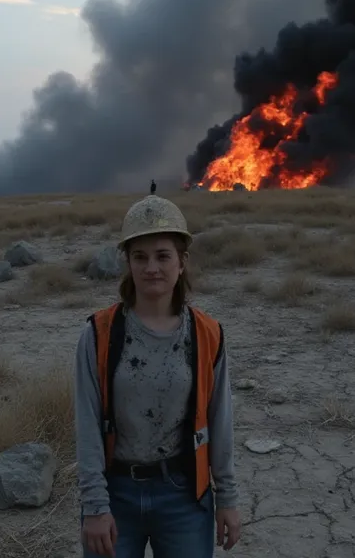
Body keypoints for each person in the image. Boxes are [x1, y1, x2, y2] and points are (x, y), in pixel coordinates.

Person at [74, 194, 241, 558]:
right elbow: (86, 425)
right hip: (115, 495)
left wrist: (226, 497)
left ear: (182, 263)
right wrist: (95, 507)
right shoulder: (99, 334)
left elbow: (220, 421)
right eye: (140, 257)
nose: (152, 267)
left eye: (163, 256)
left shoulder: (207, 334)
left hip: (184, 497)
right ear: (128, 264)